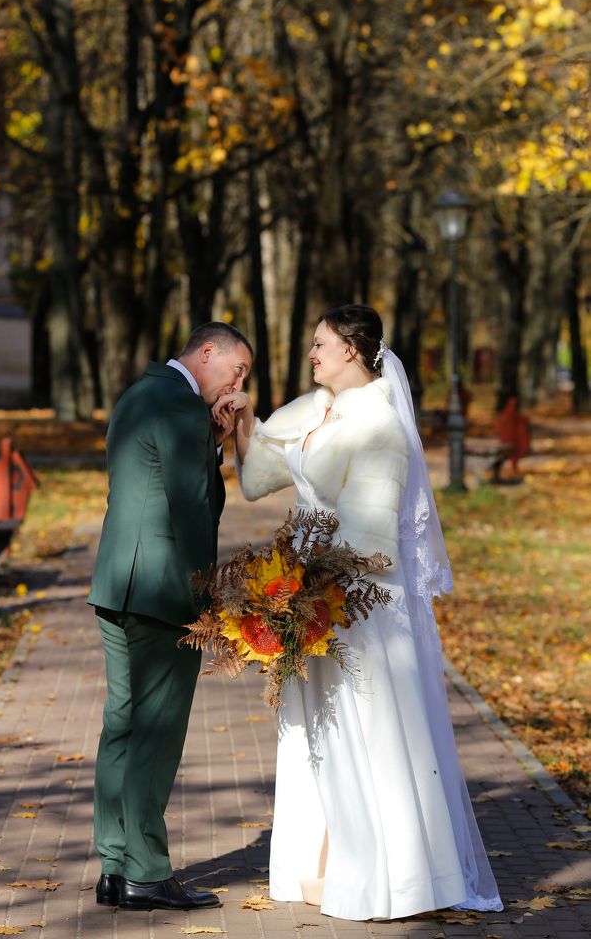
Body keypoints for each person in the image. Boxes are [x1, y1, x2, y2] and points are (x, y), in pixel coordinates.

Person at [213, 305, 502, 921]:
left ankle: (394, 876)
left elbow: (372, 542)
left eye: (320, 344)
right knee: (318, 730)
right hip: (311, 589)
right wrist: (244, 422)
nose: (311, 353)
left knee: (367, 730)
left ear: (351, 349)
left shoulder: (379, 425)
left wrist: (308, 588)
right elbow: (260, 476)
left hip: (358, 602)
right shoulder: (316, 409)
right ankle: (323, 862)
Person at [88, 322, 252, 913]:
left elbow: (153, 484)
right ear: (207, 352)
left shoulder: (137, 394)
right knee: (156, 733)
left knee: (123, 724)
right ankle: (147, 872)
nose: (236, 385)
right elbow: (194, 511)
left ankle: (113, 866)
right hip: (161, 595)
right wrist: (206, 599)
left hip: (115, 585)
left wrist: (212, 441)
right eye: (236, 370)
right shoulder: (182, 406)